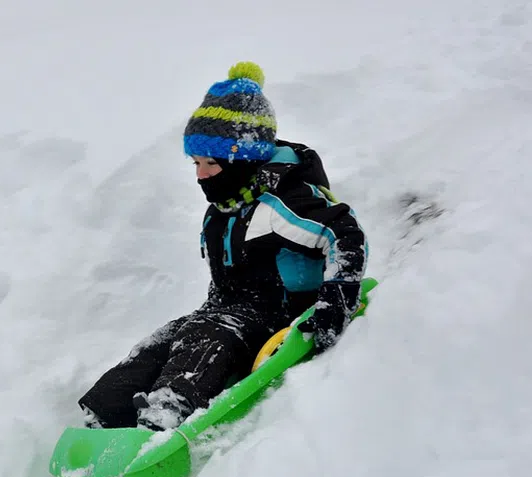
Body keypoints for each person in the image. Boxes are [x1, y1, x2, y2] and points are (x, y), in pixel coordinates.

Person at [78, 62, 369, 431]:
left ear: (241, 159)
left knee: (209, 335)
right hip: (229, 311)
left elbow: (345, 235)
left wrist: (335, 303)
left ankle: (165, 415)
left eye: (211, 163)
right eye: (196, 163)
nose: (200, 174)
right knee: (165, 340)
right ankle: (101, 415)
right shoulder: (222, 209)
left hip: (283, 316)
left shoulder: (280, 204)